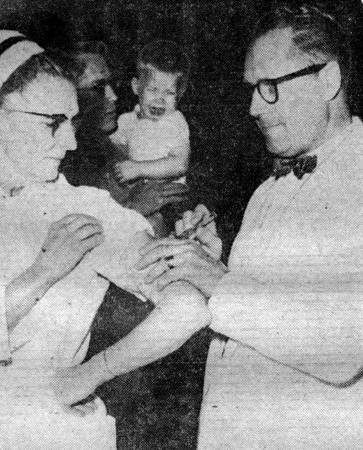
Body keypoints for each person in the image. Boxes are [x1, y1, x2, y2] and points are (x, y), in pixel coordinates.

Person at [0, 29, 208, 449]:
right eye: (53, 124)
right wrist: (42, 273)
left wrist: (92, 373)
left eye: (73, 123)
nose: (72, 142)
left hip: (61, 431)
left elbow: (188, 305)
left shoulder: (89, 210)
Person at [137, 4, 363, 448]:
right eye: (252, 89)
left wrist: (217, 281)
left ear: (329, 79)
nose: (254, 106)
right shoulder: (270, 188)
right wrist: (213, 257)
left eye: (269, 87)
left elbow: (341, 348)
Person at [59, 40, 190, 229]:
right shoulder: (62, 162)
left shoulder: (111, 144)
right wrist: (133, 208)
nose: (113, 96)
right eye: (98, 86)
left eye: (110, 84)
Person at [111, 40, 190, 185]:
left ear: (179, 94)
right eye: (152, 89)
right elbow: (113, 151)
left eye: (169, 92)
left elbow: (180, 164)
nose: (160, 99)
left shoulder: (175, 121)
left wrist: (138, 169)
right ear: (136, 87)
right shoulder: (126, 120)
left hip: (169, 197)